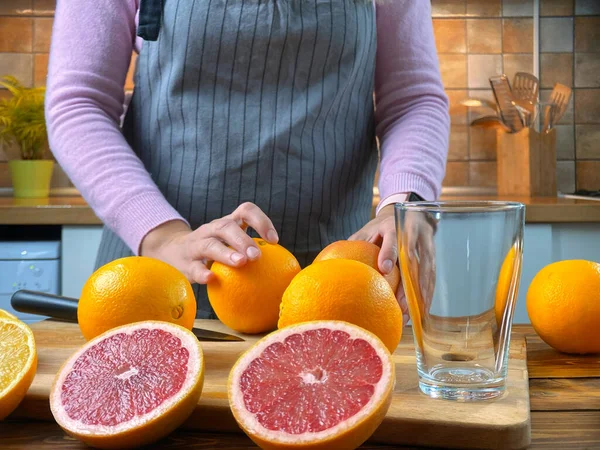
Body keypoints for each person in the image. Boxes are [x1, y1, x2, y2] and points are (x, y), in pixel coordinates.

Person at [45, 0, 450, 323]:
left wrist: (405, 204)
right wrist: (163, 237)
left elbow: (414, 99)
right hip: (154, 282)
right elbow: (79, 103)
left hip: (336, 290)